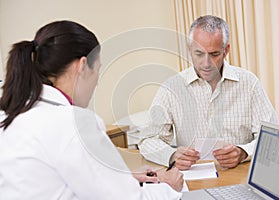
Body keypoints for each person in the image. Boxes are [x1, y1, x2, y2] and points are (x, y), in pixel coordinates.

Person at [0, 20, 183, 199]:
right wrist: (170, 188)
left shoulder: (12, 113)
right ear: (82, 66)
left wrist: (122, 179)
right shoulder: (73, 123)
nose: (97, 82)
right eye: (97, 70)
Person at [138, 15, 278, 170]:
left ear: (226, 51)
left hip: (240, 176)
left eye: (214, 54)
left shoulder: (249, 83)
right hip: (192, 181)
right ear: (189, 49)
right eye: (199, 54)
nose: (206, 64)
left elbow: (272, 139)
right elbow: (147, 140)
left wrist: (243, 152)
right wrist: (170, 155)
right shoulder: (171, 88)